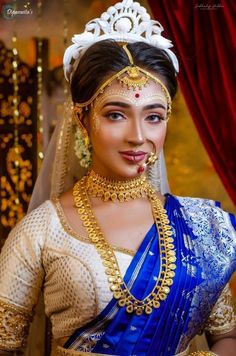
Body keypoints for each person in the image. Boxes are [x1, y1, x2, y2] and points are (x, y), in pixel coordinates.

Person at [0, 1, 235, 355]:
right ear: (82, 119)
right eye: (116, 114)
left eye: (154, 117)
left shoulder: (202, 228)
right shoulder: (41, 231)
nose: (138, 136)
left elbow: (227, 336)